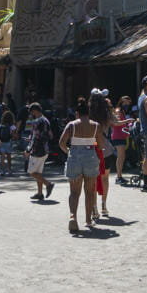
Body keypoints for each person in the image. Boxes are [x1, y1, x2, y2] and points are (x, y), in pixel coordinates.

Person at [59, 97, 110, 234]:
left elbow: (61, 143)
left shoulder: (71, 125)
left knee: (74, 192)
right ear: (88, 113)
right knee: (89, 191)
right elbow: (100, 145)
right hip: (90, 157)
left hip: (75, 156)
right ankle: (88, 220)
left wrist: (69, 151)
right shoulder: (96, 126)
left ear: (77, 113)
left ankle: (72, 216)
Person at [23, 102, 55, 200]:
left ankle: (48, 184)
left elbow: (35, 138)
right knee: (38, 173)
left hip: (37, 151)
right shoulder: (46, 120)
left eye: (32, 112)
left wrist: (28, 150)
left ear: (34, 111)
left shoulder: (37, 121)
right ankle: (40, 193)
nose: (32, 115)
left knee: (31, 172)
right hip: (45, 150)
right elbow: (50, 135)